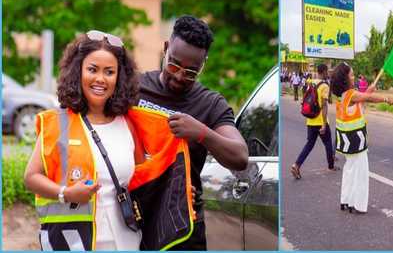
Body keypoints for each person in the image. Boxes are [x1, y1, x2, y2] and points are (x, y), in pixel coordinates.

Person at [24, 31, 144, 250]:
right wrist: (65, 194)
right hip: (74, 242)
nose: (100, 78)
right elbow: (31, 177)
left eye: (109, 72)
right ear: (77, 71)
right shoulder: (57, 123)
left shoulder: (128, 123)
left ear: (119, 78)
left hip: (127, 240)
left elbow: (145, 177)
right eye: (92, 69)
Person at [137, 15, 249, 250]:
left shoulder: (210, 104)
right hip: (133, 221)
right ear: (166, 48)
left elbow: (240, 157)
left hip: (182, 229)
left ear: (203, 64)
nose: (179, 76)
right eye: (174, 65)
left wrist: (201, 132)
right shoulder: (134, 88)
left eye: (190, 72)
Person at [330, 62, 393, 214]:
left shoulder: (342, 95)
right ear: (345, 79)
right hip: (356, 141)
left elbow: (363, 98)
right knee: (360, 172)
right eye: (351, 75)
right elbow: (368, 98)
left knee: (349, 169)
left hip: (345, 141)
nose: (354, 77)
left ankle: (345, 200)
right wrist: (386, 99)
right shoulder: (352, 95)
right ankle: (356, 204)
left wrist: (368, 91)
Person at [291, 64, 338, 179]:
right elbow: (325, 106)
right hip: (320, 121)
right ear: (325, 71)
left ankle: (296, 165)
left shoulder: (310, 83)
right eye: (327, 71)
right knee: (328, 144)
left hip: (310, 120)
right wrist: (323, 124)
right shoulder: (324, 86)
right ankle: (331, 166)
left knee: (309, 145)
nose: (328, 73)